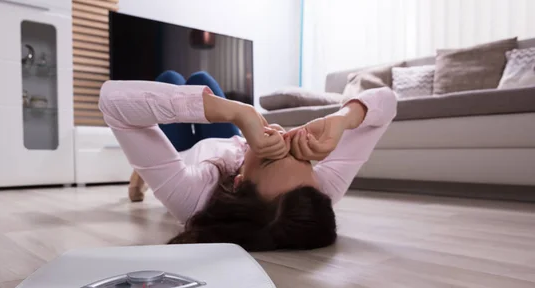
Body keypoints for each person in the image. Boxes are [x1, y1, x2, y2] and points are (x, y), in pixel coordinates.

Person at [99, 74, 397, 251]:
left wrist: (236, 112)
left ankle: (140, 171)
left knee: (170, 80)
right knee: (201, 79)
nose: (284, 139)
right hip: (233, 141)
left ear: (238, 182)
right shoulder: (321, 191)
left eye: (270, 158)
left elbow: (113, 101)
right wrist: (341, 120)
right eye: (302, 159)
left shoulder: (192, 198)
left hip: (188, 151)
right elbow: (387, 99)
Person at [128, 70, 241, 201]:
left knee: (169, 79)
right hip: (231, 151)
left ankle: (143, 166)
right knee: (200, 79)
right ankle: (144, 165)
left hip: (184, 161)